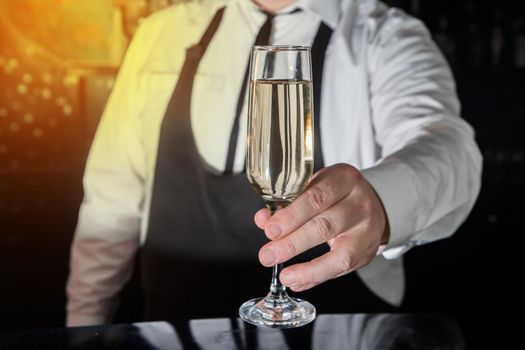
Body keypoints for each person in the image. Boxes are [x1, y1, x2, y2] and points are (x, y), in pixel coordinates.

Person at [66, 0, 482, 326]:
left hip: (339, 330)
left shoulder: (384, 34)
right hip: (173, 327)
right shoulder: (161, 33)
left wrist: (383, 198)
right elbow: (111, 201)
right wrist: (84, 325)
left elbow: (450, 146)